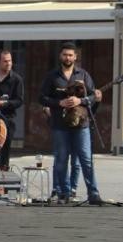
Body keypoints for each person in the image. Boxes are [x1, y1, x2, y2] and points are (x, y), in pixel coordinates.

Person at [39, 42, 103, 206]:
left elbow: (93, 97)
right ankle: (64, 193)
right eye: (65, 55)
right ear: (60, 56)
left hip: (81, 125)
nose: (67, 58)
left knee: (86, 159)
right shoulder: (52, 76)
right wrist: (59, 103)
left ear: (75, 57)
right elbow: (42, 98)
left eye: (70, 55)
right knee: (61, 159)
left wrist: (80, 100)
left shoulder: (84, 75)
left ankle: (93, 193)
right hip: (60, 125)